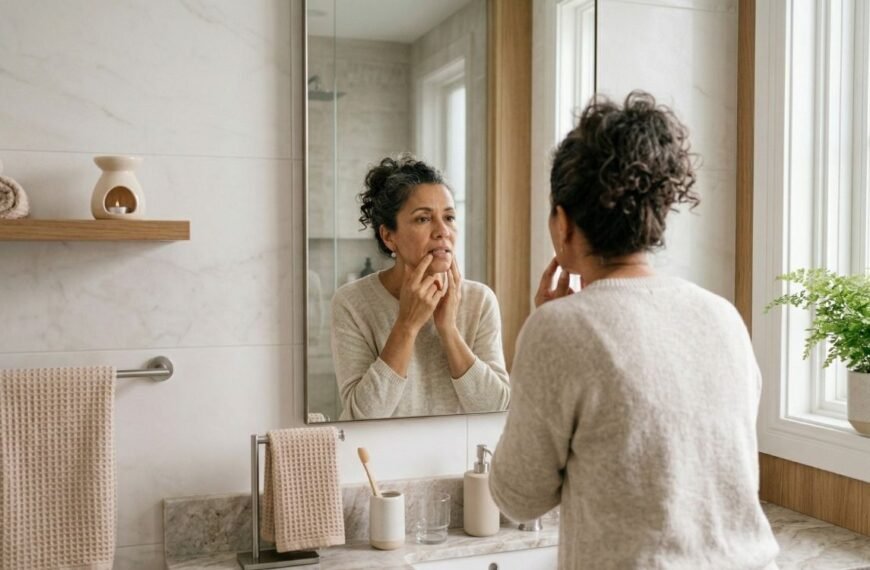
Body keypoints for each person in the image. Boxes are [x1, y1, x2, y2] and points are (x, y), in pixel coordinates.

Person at [489, 92, 779, 569]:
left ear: (562, 223)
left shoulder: (558, 329)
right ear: (656, 216)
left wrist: (550, 329)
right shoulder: (722, 316)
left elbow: (519, 498)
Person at [331, 155, 510, 420]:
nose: (442, 231)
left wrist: (448, 329)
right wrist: (406, 324)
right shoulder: (352, 302)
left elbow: (496, 409)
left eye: (449, 217)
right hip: (377, 460)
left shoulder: (479, 300)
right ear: (389, 236)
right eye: (423, 219)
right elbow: (362, 418)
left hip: (457, 458)